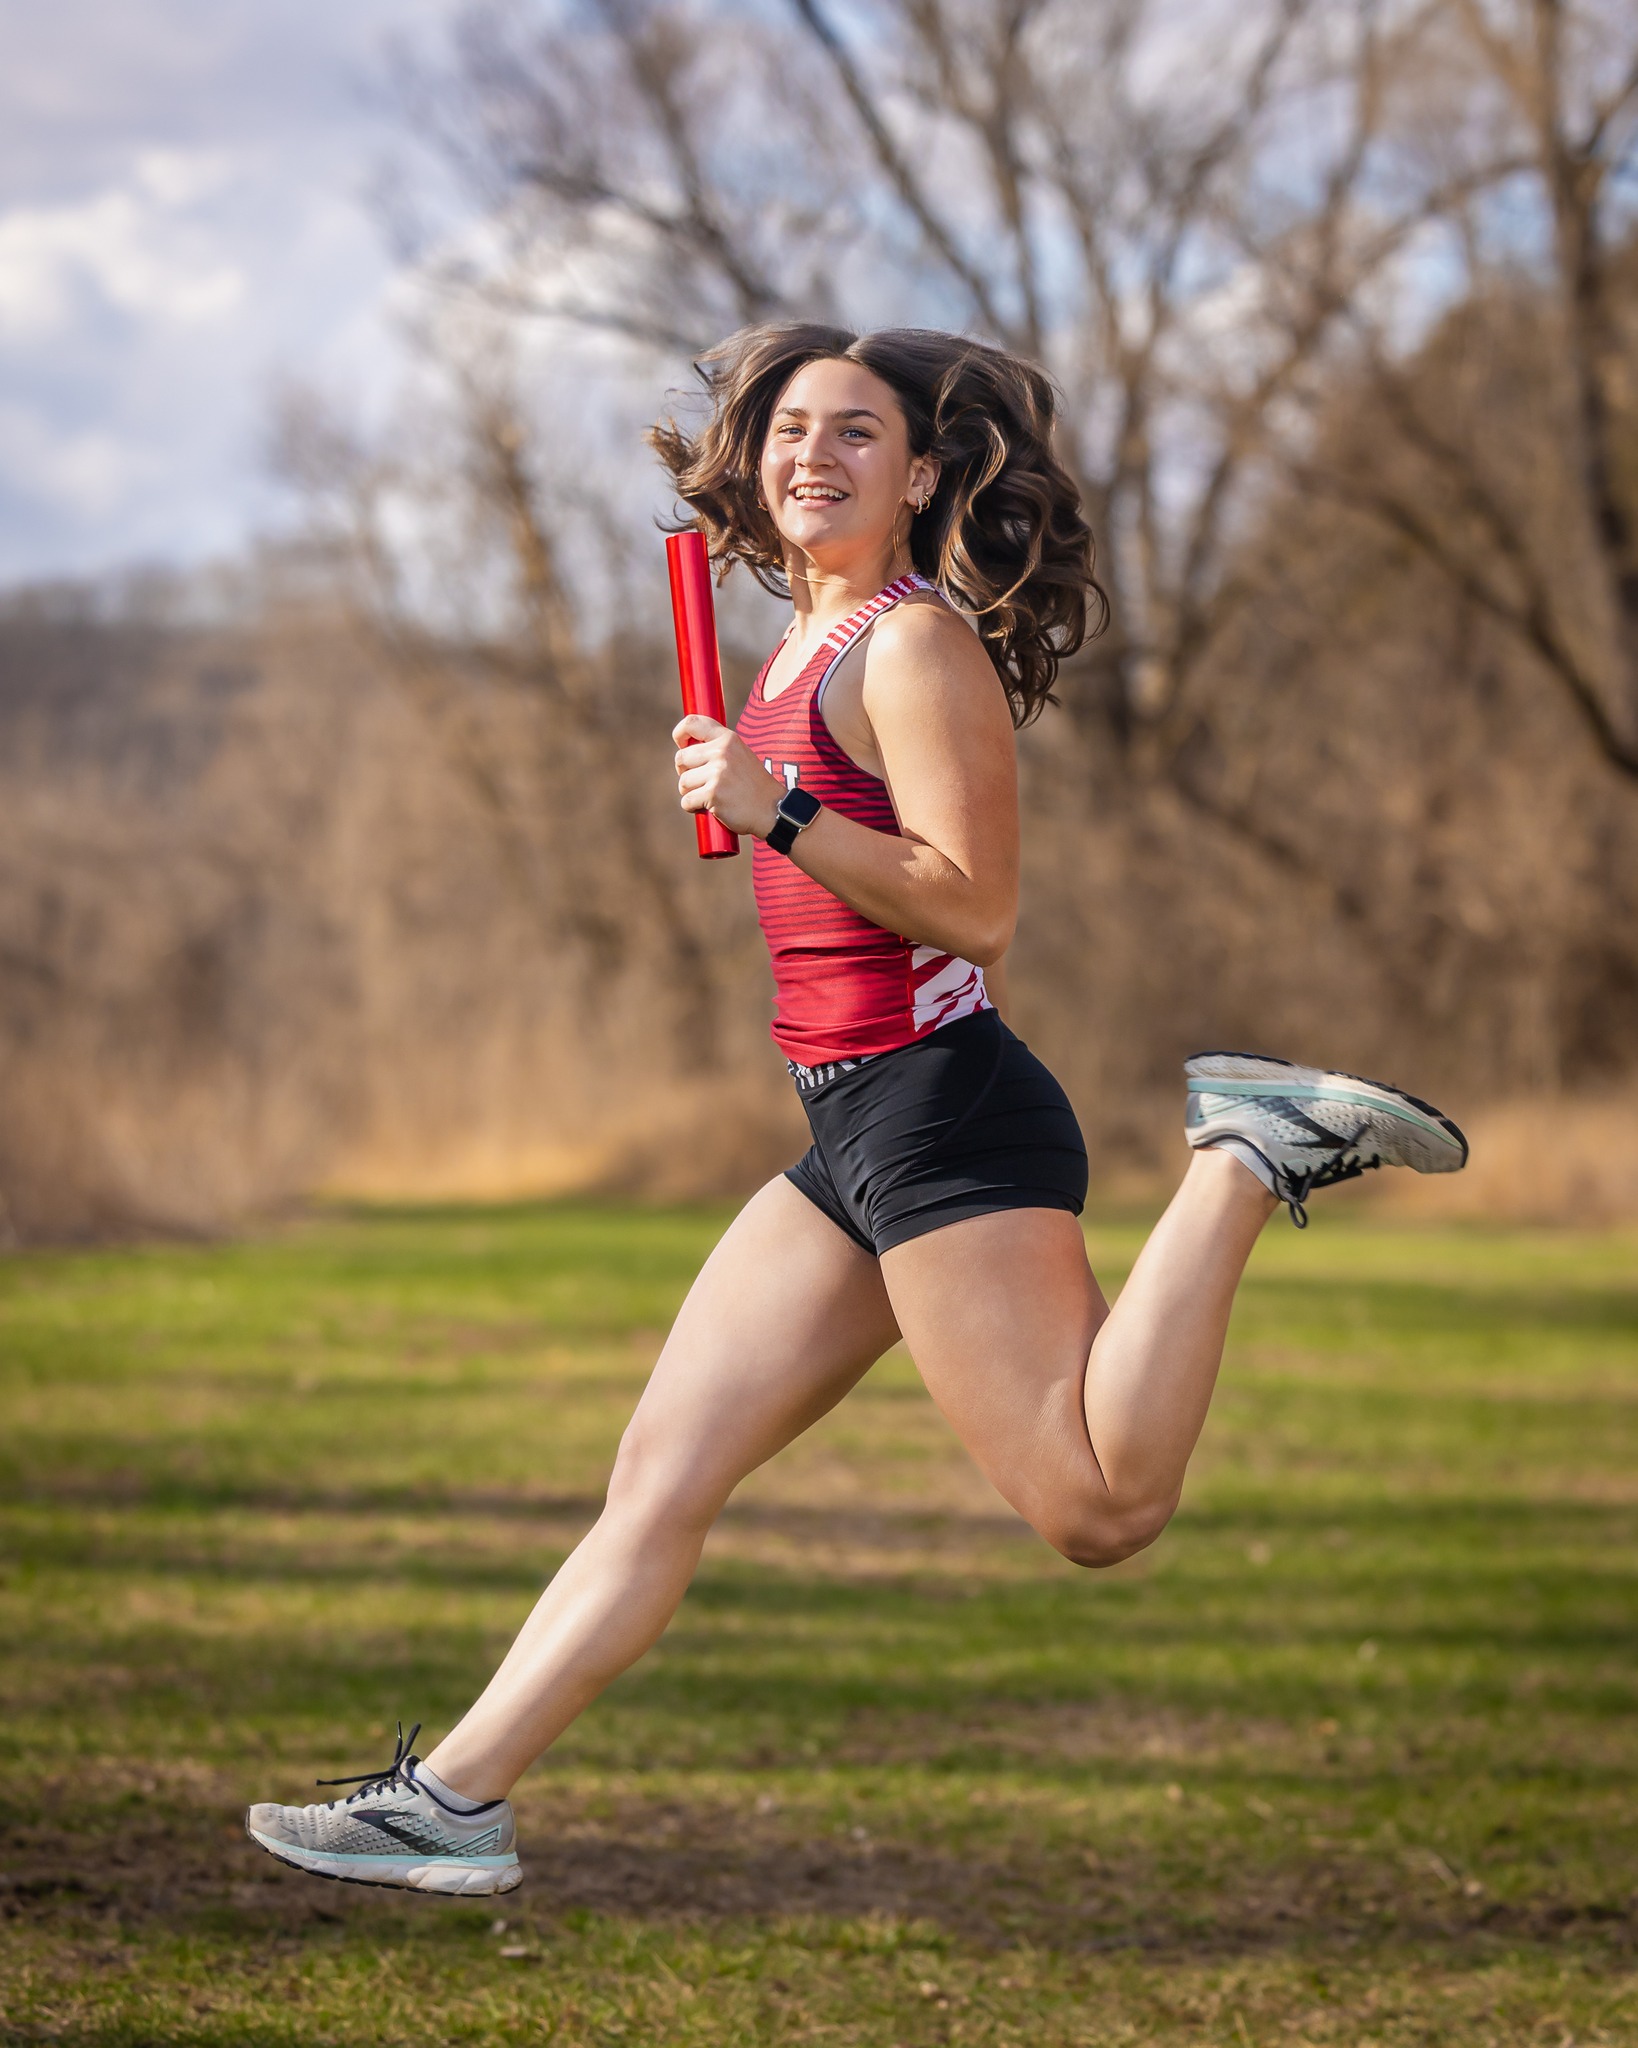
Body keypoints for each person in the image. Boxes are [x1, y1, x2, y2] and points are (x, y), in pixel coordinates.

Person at [246, 324, 1467, 1896]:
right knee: (660, 1474)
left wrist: (780, 806)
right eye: (790, 429)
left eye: (856, 434)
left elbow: (976, 913)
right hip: (847, 1130)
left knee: (1098, 1507)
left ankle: (1243, 1153)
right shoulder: (794, 652)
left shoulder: (912, 647)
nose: (811, 454)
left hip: (944, 1112)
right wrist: (768, 788)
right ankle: (452, 1800)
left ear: (924, 474)